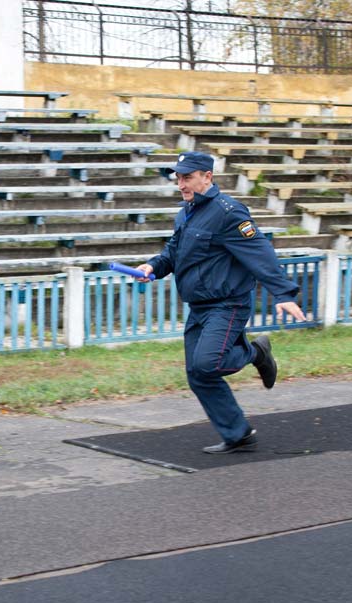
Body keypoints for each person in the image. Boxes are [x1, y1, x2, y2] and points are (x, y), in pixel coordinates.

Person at [131, 151, 306, 454]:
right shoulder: (186, 212)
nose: (181, 184)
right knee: (198, 375)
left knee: (207, 363)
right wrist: (153, 267)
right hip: (199, 306)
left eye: (187, 177)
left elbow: (260, 252)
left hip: (228, 304)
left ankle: (255, 352)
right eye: (178, 178)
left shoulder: (229, 212)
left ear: (207, 176)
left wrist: (284, 293)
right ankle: (238, 435)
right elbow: (173, 252)